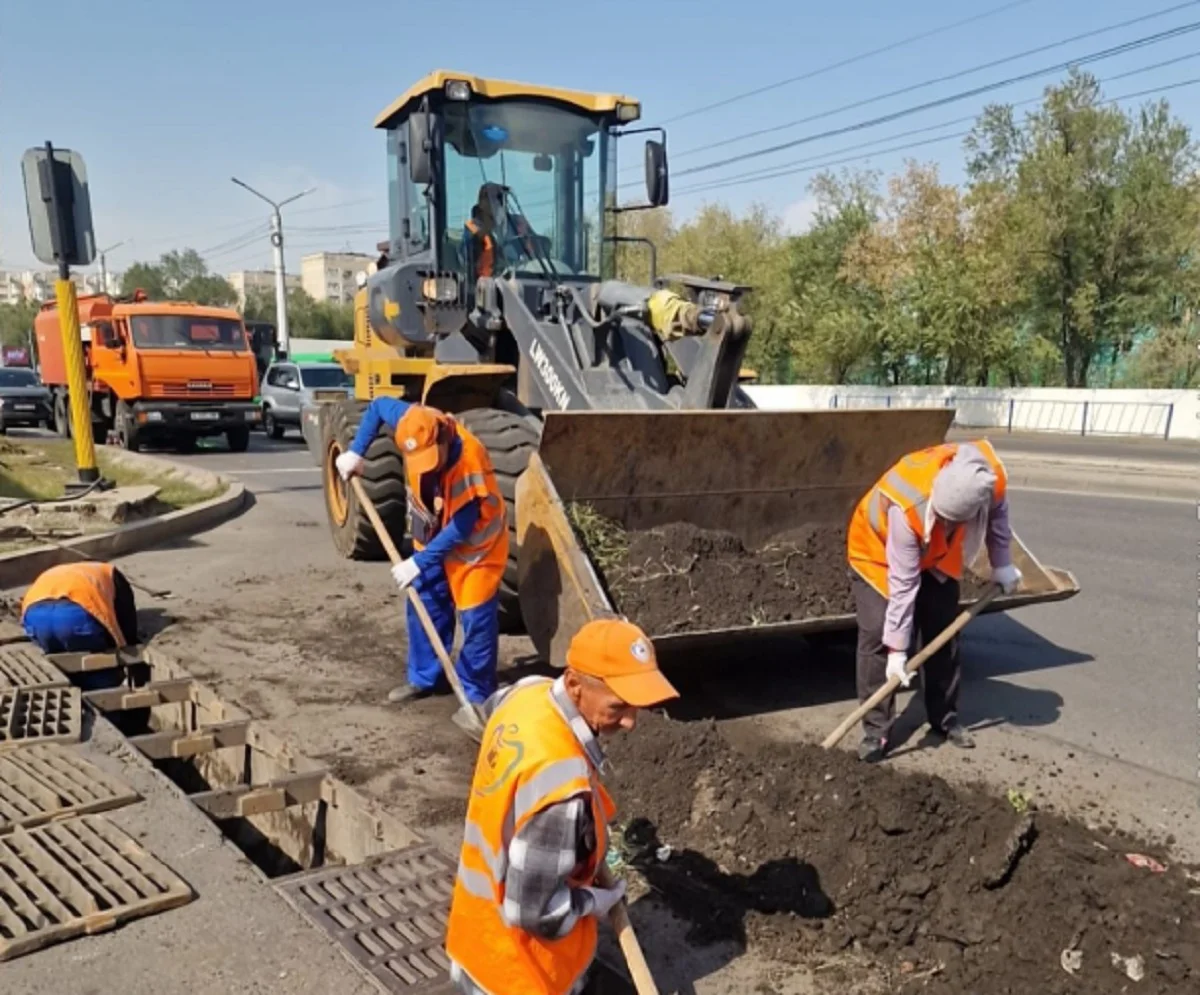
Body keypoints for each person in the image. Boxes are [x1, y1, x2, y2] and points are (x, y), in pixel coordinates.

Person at [443, 617, 679, 995]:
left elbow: (489, 715)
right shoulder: (560, 791)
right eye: (619, 706)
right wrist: (595, 901)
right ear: (574, 684)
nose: (631, 722)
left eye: (637, 706)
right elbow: (534, 912)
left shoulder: (527, 693)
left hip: (475, 936)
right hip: (521, 972)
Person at [846, 439, 1021, 763]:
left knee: (943, 627)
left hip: (938, 551)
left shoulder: (987, 478)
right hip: (877, 551)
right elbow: (904, 584)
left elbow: (998, 519)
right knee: (878, 633)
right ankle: (877, 731)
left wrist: (1002, 564)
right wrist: (898, 651)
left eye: (957, 523)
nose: (950, 526)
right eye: (944, 519)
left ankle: (945, 718)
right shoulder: (906, 507)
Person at [335, 399, 506, 717]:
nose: (424, 467)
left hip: (475, 549)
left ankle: (476, 696)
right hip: (431, 528)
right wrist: (357, 452)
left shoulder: (469, 460)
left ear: (442, 438)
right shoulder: (411, 420)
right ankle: (426, 678)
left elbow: (461, 527)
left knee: (476, 620)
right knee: (425, 600)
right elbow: (376, 407)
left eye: (430, 459)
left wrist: (417, 562)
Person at [21, 560, 139, 654]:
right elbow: (127, 619)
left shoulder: (56, 571)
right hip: (74, 618)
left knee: (58, 661)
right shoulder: (109, 571)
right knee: (98, 670)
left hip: (36, 618)